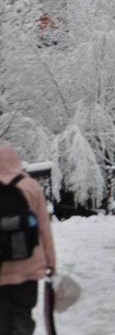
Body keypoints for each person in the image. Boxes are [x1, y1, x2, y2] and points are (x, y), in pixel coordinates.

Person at [0, 144, 56, 335]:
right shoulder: (30, 186)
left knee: (3, 319)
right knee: (23, 313)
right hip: (28, 265)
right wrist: (51, 262)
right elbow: (44, 228)